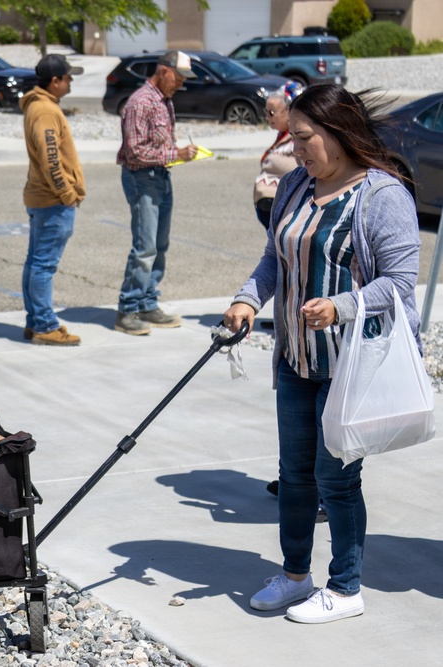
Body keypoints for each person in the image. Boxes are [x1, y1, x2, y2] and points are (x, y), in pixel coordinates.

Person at [223, 84, 421, 624]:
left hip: (351, 364)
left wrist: (342, 305)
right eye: (294, 137)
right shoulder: (294, 184)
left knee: (336, 479)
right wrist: (246, 299)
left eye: (306, 138)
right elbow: (275, 258)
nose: (298, 148)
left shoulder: (382, 195)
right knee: (294, 475)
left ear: (339, 132)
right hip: (296, 359)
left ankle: (346, 587)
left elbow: (402, 283)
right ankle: (294, 577)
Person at [114, 50, 199, 336]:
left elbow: (158, 144)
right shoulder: (141, 102)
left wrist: (175, 155)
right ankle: (128, 309)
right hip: (142, 178)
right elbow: (136, 151)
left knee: (159, 245)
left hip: (160, 175)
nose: (181, 84)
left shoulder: (164, 101)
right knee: (145, 246)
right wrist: (177, 152)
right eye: (178, 77)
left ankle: (147, 303)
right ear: (164, 71)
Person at [20, 53, 86, 346]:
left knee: (35, 263)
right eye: (68, 77)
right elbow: (50, 160)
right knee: (43, 266)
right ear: (55, 81)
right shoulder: (45, 111)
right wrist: (68, 194)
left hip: (42, 198)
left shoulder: (41, 106)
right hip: (51, 202)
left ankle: (35, 322)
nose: (71, 81)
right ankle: (45, 325)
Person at [254, 82, 304, 228]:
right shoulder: (282, 136)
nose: (267, 117)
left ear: (289, 112)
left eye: (272, 113)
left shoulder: (297, 140)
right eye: (266, 112)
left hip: (285, 210)